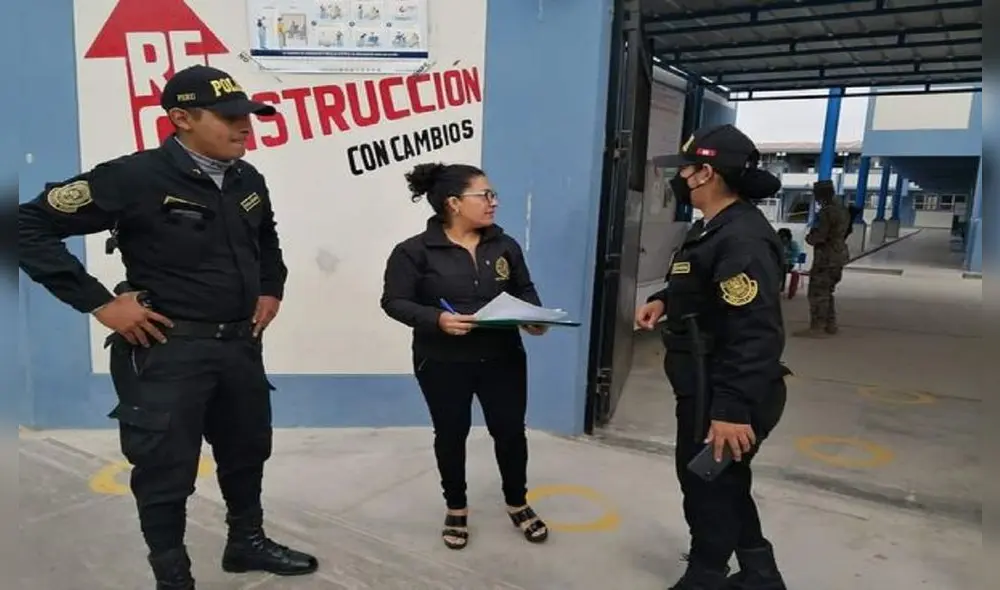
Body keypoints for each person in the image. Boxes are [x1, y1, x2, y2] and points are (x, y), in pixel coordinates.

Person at [18, 64, 317, 589]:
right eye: (229, 118)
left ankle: (245, 543)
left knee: (246, 451)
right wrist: (99, 303)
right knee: (164, 472)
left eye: (247, 116)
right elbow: (24, 226)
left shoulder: (247, 177)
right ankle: (173, 577)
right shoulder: (134, 177)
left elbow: (265, 241)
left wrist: (271, 289)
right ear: (181, 119)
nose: (245, 127)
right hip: (166, 350)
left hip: (239, 347)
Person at [636, 124, 789, 590]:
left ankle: (705, 574)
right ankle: (760, 573)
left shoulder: (741, 239)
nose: (677, 178)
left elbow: (756, 332)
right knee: (722, 480)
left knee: (706, 486)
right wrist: (666, 298)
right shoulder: (716, 228)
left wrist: (730, 410)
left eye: (683, 170)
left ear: (705, 173)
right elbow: (703, 285)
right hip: (704, 382)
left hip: (723, 388)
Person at [380, 162, 550, 550]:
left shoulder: (505, 245)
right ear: (454, 203)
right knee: (451, 435)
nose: (494, 202)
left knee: (510, 433)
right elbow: (393, 301)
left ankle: (517, 501)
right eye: (485, 195)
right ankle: (456, 507)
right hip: (441, 361)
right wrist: (436, 319)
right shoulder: (413, 252)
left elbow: (523, 288)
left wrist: (534, 317)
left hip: (503, 357)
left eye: (493, 195)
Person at [796, 180, 850, 337]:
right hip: (839, 255)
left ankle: (817, 327)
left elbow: (819, 236)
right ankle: (830, 325)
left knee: (817, 292)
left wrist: (809, 238)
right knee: (828, 291)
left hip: (826, 257)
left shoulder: (826, 212)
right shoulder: (843, 210)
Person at [775, 228, 801, 293]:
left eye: (784, 237)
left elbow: (796, 254)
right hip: (778, 262)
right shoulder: (778, 243)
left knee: (783, 267)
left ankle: (781, 286)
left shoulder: (793, 243)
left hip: (789, 263)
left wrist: (787, 254)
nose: (783, 239)